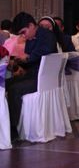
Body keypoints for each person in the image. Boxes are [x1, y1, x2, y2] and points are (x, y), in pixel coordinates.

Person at [7, 12, 58, 141]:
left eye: (23, 32)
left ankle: (13, 129)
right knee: (5, 84)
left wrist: (27, 58)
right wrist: (19, 65)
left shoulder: (48, 35)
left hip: (43, 79)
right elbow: (30, 61)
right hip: (32, 74)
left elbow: (44, 52)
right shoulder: (31, 39)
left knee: (14, 89)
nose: (23, 36)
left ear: (31, 25)